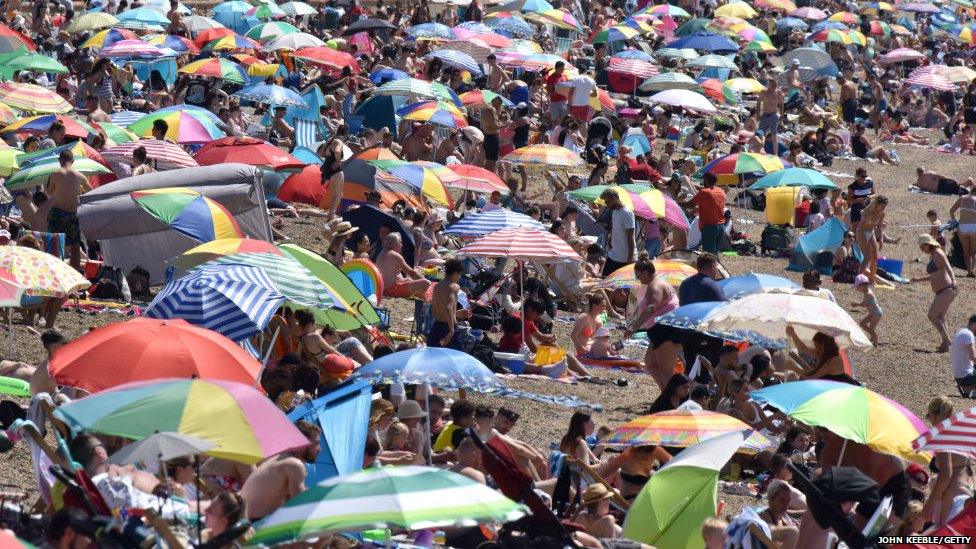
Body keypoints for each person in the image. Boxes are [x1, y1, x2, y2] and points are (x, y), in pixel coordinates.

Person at [239, 420, 320, 520]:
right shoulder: (294, 465)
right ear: (303, 444)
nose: (319, 449)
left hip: (240, 519)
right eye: (316, 444)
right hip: (250, 524)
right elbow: (299, 508)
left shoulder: (277, 458)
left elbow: (285, 501)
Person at [626, 254, 681, 389]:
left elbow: (651, 308)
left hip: (667, 330)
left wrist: (634, 327)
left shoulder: (654, 286)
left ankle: (672, 398)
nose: (637, 278)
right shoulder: (652, 284)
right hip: (659, 330)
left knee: (666, 371)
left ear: (646, 272)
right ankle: (667, 392)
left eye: (638, 275)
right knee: (650, 363)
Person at [920, 396, 973, 526]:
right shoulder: (960, 431)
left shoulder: (942, 434)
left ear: (934, 415)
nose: (929, 420)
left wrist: (928, 506)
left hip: (949, 500)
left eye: (928, 415)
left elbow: (945, 475)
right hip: (965, 491)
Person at [911, 234, 958, 353]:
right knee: (941, 317)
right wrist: (918, 279)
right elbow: (935, 275)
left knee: (932, 315)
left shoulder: (938, 253)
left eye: (922, 247)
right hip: (942, 290)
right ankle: (946, 345)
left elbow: (947, 267)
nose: (921, 249)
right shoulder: (933, 254)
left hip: (947, 289)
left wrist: (953, 279)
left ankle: (947, 340)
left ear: (927, 244)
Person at [46, 150, 88, 271]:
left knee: (54, 242)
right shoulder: (80, 176)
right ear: (73, 161)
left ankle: (54, 271)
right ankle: (75, 274)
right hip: (72, 214)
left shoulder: (55, 174)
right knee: (75, 245)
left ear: (59, 161)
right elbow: (91, 192)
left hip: (58, 212)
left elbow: (49, 192)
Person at [788, 328, 858, 385]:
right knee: (799, 377)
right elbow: (803, 349)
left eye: (817, 347)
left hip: (834, 387)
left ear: (823, 346)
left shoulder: (833, 360)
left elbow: (811, 378)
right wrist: (793, 334)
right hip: (826, 382)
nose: (816, 349)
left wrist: (793, 367)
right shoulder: (825, 352)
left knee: (799, 379)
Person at [376, 233, 431, 299]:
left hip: (383, 288)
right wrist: (425, 281)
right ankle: (422, 296)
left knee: (408, 279)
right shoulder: (395, 256)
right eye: (400, 242)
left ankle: (419, 295)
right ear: (394, 243)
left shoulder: (381, 254)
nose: (401, 245)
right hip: (391, 290)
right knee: (426, 283)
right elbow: (411, 273)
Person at [600, 188, 636, 276]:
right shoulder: (614, 211)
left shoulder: (627, 213)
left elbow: (630, 237)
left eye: (608, 202)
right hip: (613, 254)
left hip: (625, 257)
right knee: (604, 281)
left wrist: (630, 258)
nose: (607, 205)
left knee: (622, 287)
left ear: (615, 198)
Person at [428, 258, 462, 349]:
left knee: (433, 355)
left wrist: (456, 314)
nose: (460, 277)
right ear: (455, 273)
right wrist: (451, 331)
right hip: (448, 327)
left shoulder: (437, 286)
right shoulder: (454, 287)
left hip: (437, 325)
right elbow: (448, 307)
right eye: (459, 274)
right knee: (456, 357)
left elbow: (434, 308)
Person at [856, 195, 888, 286]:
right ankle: (859, 279)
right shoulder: (867, 212)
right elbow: (862, 225)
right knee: (867, 256)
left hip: (871, 232)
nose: (883, 208)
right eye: (882, 206)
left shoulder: (882, 213)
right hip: (861, 232)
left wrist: (881, 238)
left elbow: (879, 227)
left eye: (885, 206)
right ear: (877, 204)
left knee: (875, 257)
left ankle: (872, 280)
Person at [758, 480, 800, 548]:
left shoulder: (783, 515)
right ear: (771, 499)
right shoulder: (764, 518)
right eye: (782, 500)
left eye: (788, 500)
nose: (786, 504)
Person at [693, 173, 727, 254]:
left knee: (709, 256)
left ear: (706, 180)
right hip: (721, 227)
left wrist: (677, 203)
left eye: (703, 180)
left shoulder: (704, 192)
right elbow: (713, 206)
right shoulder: (721, 192)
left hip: (710, 228)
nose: (702, 182)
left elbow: (689, 204)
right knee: (714, 255)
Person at [949, 187, 976, 278]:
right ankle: (973, 270)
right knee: (973, 251)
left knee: (966, 252)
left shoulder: (962, 198)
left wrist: (954, 220)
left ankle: (969, 271)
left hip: (962, 227)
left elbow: (951, 211)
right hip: (974, 227)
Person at [852, 274, 882, 346]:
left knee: (871, 329)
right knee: (862, 323)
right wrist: (858, 304)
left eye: (857, 287)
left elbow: (864, 304)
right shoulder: (866, 292)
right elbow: (865, 303)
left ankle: (875, 341)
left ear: (863, 285)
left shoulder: (868, 294)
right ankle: (872, 337)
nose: (857, 289)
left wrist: (856, 304)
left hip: (876, 313)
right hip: (873, 313)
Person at [951, 315, 976, 397]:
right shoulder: (969, 335)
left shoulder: (961, 331)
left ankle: (968, 390)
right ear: (974, 324)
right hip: (967, 377)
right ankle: (971, 391)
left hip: (958, 377)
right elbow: (973, 357)